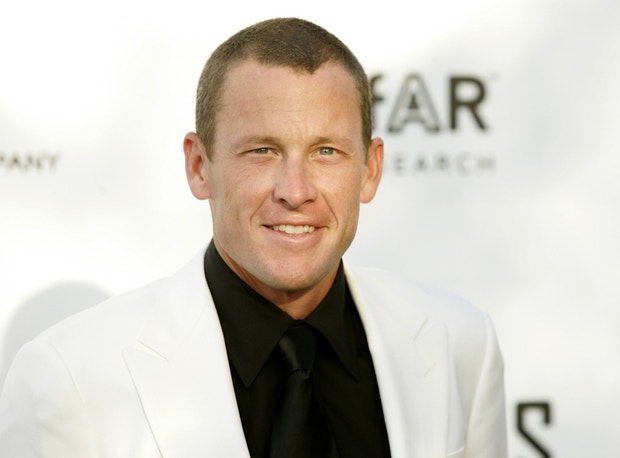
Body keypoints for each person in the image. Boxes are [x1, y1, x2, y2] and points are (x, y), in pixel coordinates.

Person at [0, 17, 507, 458]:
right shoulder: (69, 378)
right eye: (262, 151)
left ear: (370, 170)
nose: (296, 191)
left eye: (326, 152)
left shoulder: (459, 342)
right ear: (199, 167)